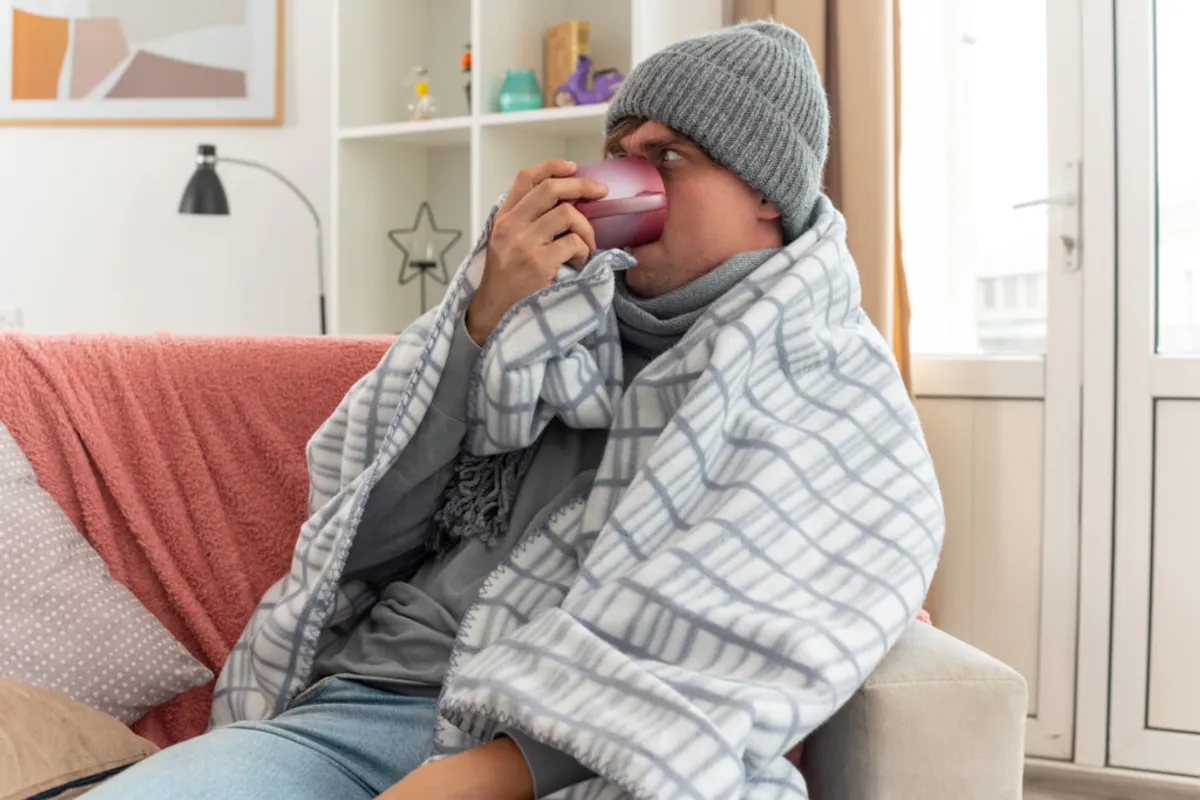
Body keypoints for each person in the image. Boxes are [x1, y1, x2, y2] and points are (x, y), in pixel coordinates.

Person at [90, 20, 942, 800]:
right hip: (362, 713)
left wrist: (487, 775)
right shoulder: (534, 304)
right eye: (619, 148)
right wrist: (480, 324)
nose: (626, 176)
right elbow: (363, 537)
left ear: (767, 194)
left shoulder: (825, 383)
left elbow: (733, 645)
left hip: (572, 756)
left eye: (669, 156)